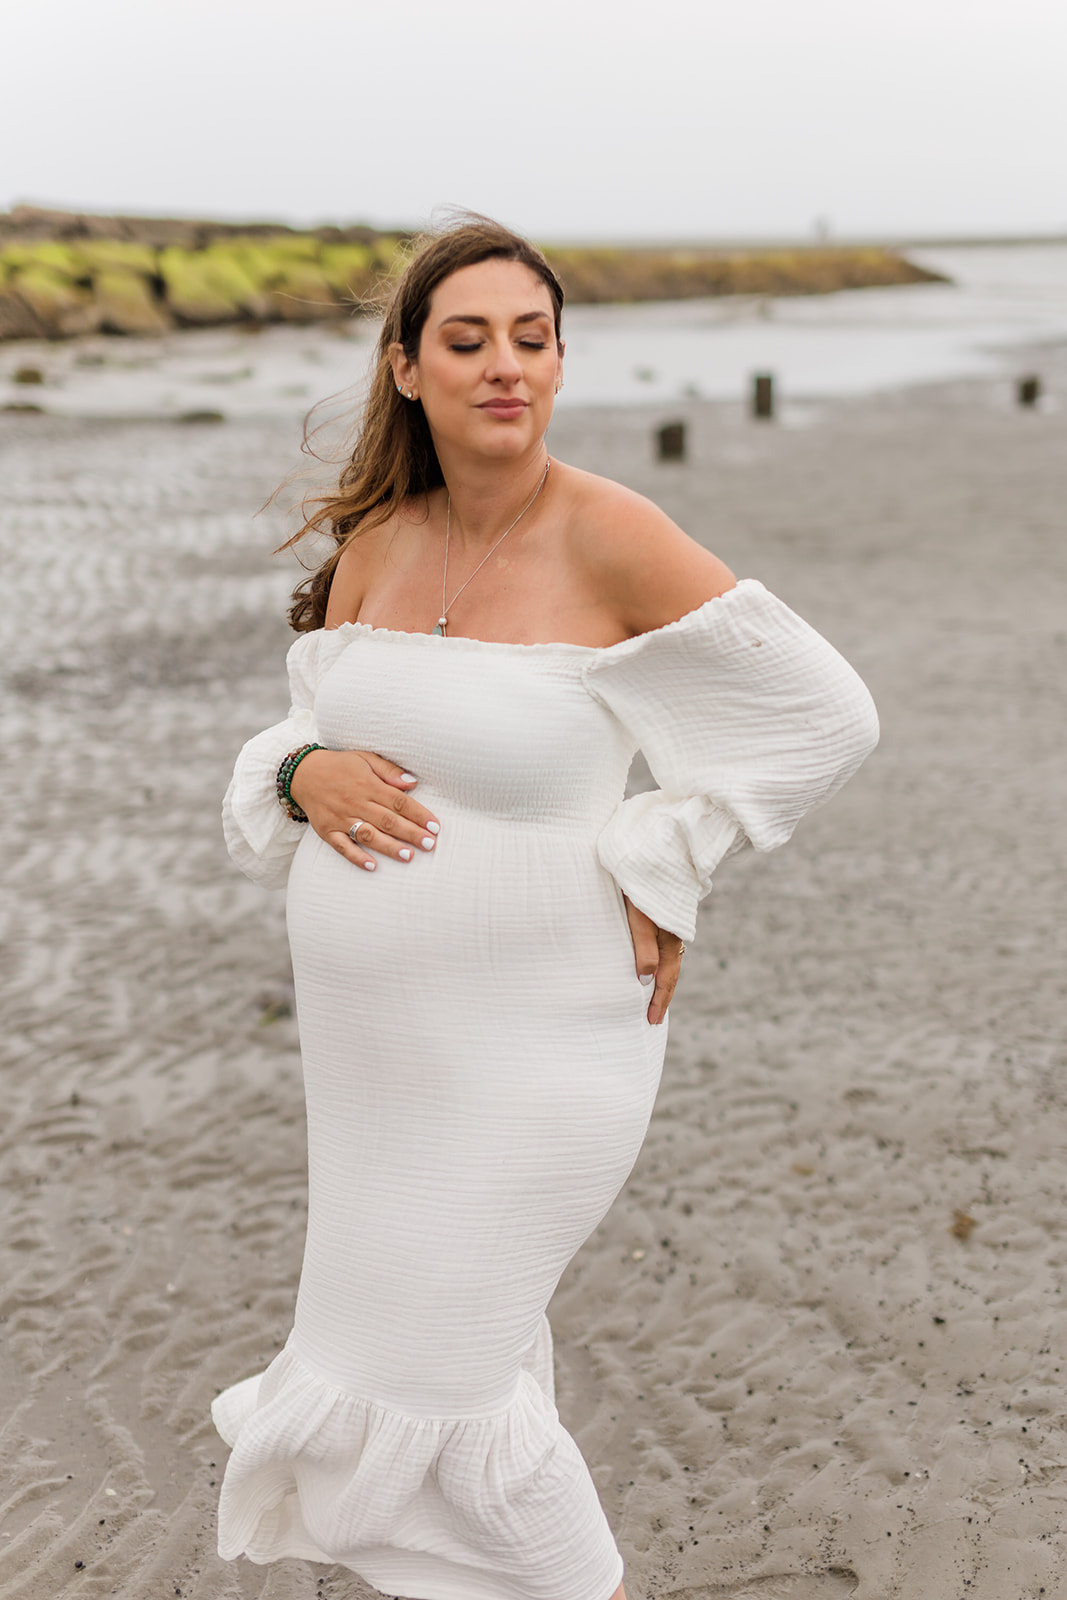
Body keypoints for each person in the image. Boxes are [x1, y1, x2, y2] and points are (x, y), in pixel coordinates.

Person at [212, 216, 879, 1600]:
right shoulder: (371, 548)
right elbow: (286, 738)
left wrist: (666, 854)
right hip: (376, 1068)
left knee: (444, 1387)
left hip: (545, 1048)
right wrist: (301, 768)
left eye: (533, 338)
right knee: (421, 1356)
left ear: (562, 362)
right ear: (406, 367)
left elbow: (822, 717)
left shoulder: (609, 534)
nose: (505, 365)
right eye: (468, 340)